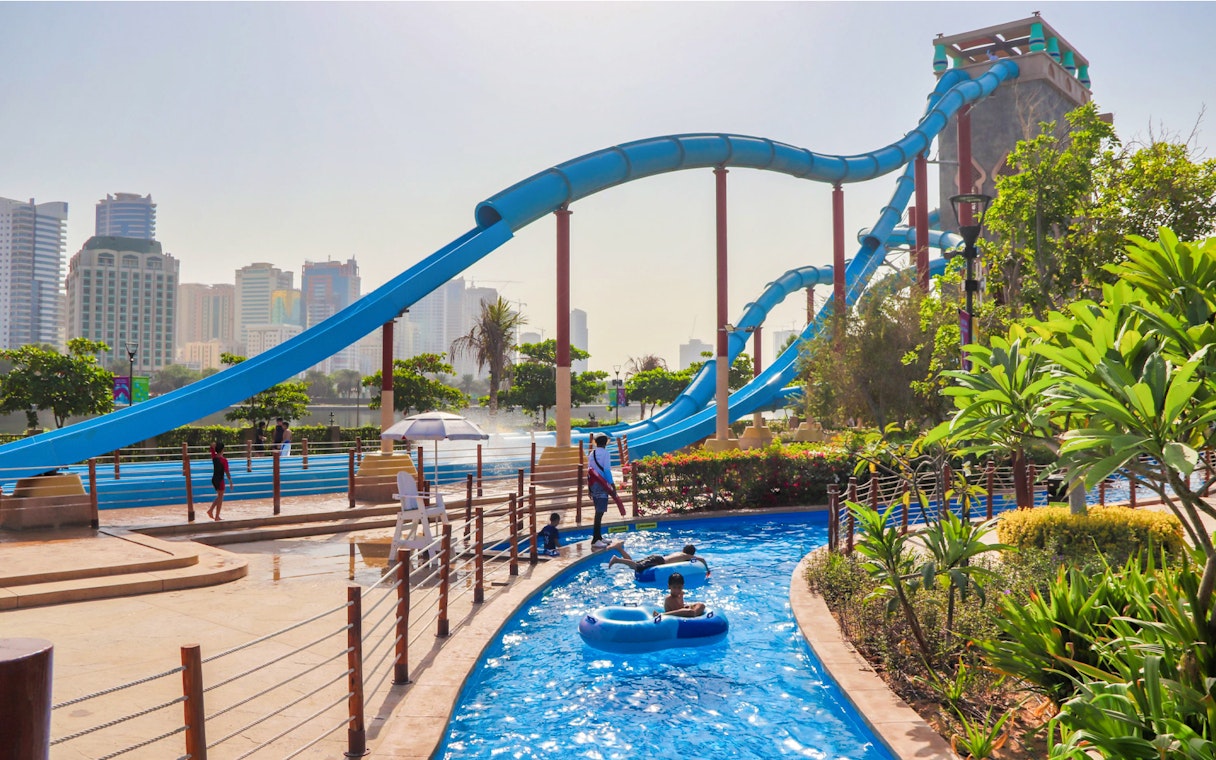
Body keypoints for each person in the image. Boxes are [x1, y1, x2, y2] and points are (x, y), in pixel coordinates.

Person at [587, 434, 622, 548]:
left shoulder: (592, 453)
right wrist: (612, 484)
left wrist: (589, 488)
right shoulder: (606, 453)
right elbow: (607, 470)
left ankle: (599, 537)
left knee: (599, 511)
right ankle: (595, 539)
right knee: (599, 512)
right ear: (605, 443)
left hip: (593, 484)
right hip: (602, 484)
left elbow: (589, 471)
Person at [607, 542, 710, 575]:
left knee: (634, 564)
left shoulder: (678, 553)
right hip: (659, 561)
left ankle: (620, 549)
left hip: (658, 557)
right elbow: (702, 559)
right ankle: (617, 559)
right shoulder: (686, 556)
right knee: (637, 566)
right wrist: (707, 570)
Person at [207, 441, 234, 521]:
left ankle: (211, 511)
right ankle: (216, 516)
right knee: (220, 498)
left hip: (214, 479)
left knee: (219, 496)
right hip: (220, 480)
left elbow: (211, 445)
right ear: (223, 450)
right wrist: (231, 482)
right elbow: (227, 472)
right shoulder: (224, 460)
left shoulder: (214, 457)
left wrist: (215, 447)